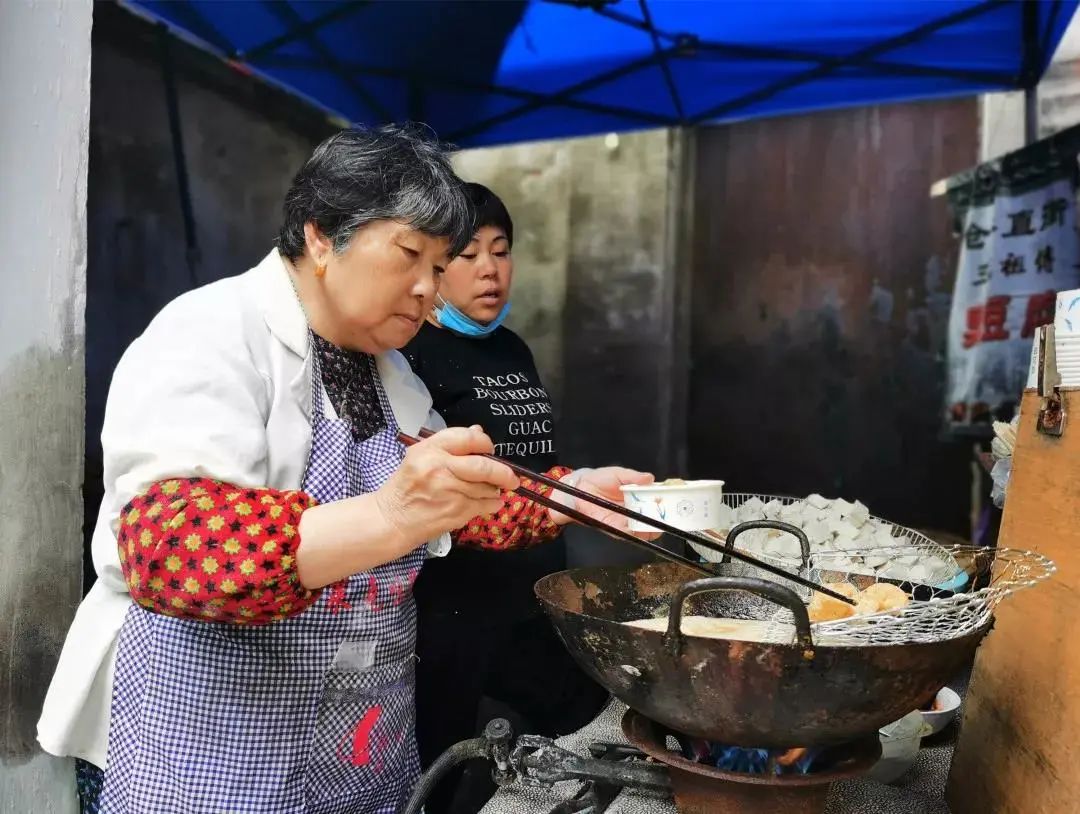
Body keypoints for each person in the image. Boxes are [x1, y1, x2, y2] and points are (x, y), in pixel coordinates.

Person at [36, 125, 652, 814]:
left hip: (352, 741)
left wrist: (568, 494)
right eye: (411, 254)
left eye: (439, 263)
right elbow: (171, 546)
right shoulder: (208, 334)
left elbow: (452, 498)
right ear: (324, 235)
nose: (429, 287)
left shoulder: (391, 372)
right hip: (217, 737)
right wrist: (389, 516)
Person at [403, 183, 613, 814]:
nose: (490, 269)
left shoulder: (511, 347)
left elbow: (538, 463)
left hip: (533, 585)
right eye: (468, 255)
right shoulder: (412, 354)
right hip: (453, 601)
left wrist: (577, 491)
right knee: (443, 758)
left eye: (502, 250)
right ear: (436, 266)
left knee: (572, 727)